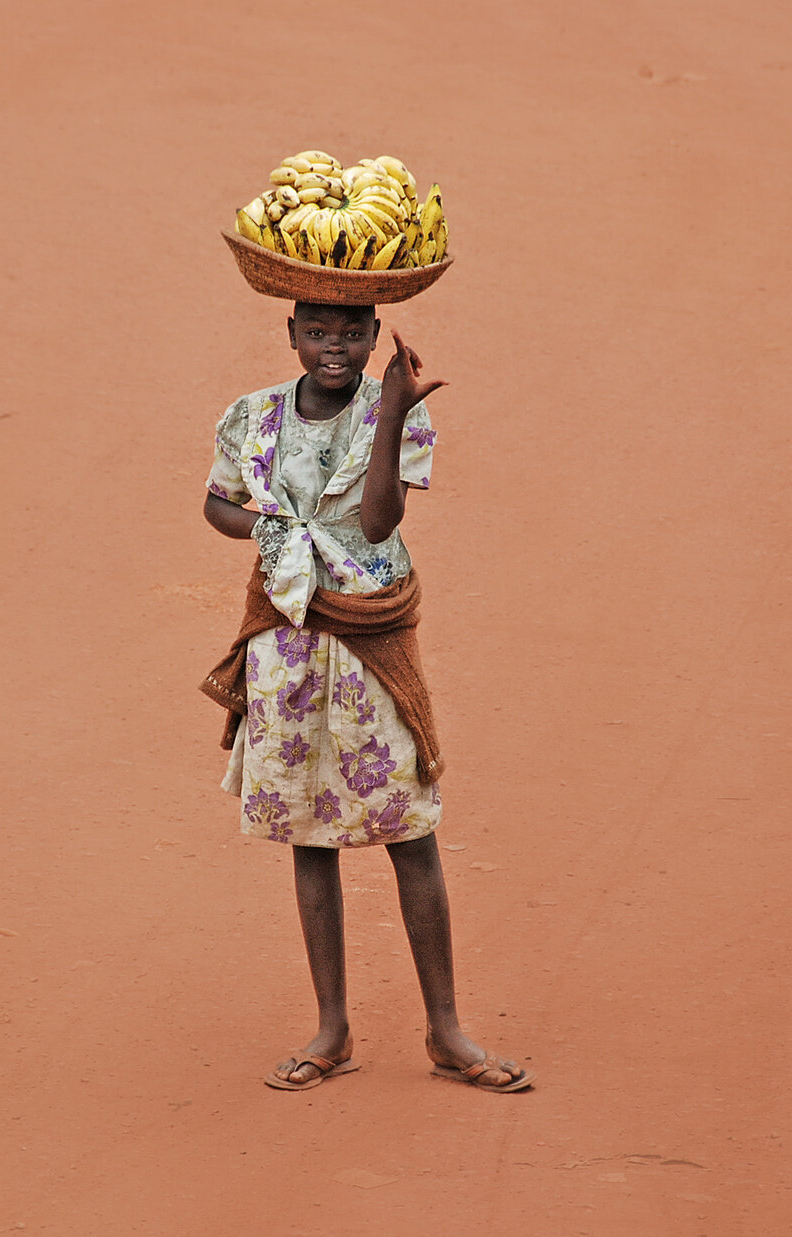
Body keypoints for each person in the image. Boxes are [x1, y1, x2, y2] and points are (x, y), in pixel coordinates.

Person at [201, 301, 532, 1093]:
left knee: (408, 828)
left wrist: (391, 413)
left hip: (369, 641)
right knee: (309, 833)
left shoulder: (398, 416)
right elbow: (215, 502)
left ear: (375, 337)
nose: (334, 348)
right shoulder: (252, 417)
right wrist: (269, 529)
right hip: (285, 639)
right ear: (290, 334)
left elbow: (379, 523)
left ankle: (446, 1028)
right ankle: (333, 1027)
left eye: (352, 333)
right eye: (318, 332)